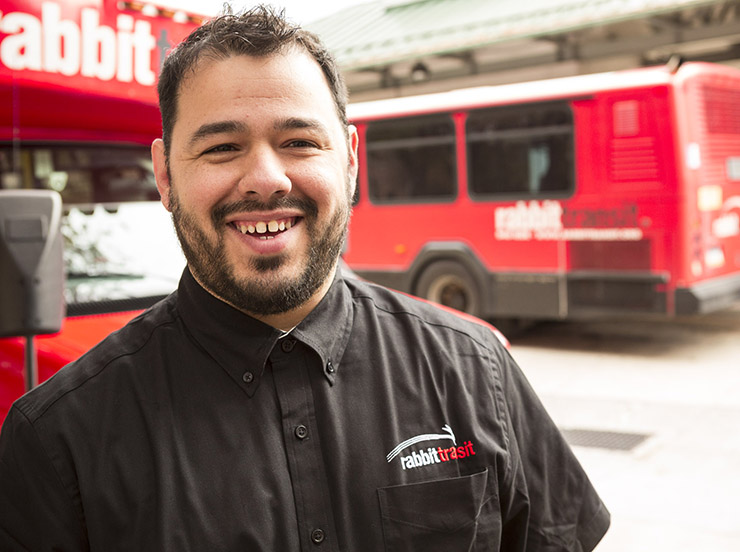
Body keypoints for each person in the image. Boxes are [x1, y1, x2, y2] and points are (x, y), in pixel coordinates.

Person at [0, 6, 610, 550]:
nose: (266, 178)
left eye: (298, 141)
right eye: (221, 148)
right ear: (163, 174)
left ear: (349, 160)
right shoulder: (57, 441)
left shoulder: (478, 370)